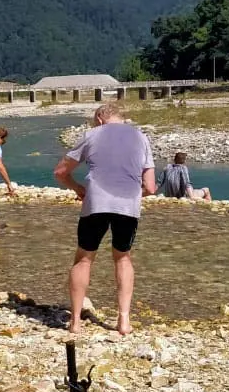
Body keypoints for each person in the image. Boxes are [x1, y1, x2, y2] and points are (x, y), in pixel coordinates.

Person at [53, 103, 155, 336]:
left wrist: (78, 188)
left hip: (96, 202)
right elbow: (150, 186)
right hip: (128, 204)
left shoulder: (92, 134)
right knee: (123, 258)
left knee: (84, 259)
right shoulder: (141, 137)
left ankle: (76, 322)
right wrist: (135, 191)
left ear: (99, 118)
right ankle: (124, 321)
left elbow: (60, 172)